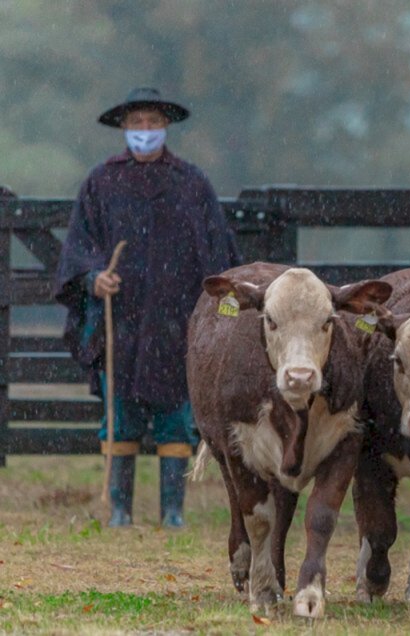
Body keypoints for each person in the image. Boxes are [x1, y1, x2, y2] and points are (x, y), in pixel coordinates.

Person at [55, 87, 240, 528]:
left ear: (166, 126)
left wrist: (219, 308)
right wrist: (92, 278)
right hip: (119, 323)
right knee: (120, 418)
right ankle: (119, 510)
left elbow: (217, 251)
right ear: (123, 128)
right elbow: (78, 248)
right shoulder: (101, 182)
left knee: (176, 419)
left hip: (176, 324)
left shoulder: (191, 183)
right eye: (136, 123)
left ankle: (172, 512)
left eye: (152, 122)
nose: (144, 131)